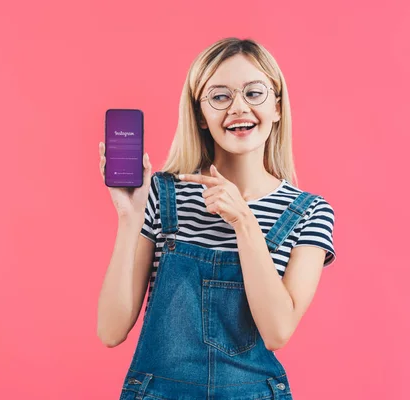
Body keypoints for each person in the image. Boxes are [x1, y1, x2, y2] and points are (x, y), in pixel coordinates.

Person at [97, 37, 336, 400]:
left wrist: (244, 221)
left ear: (277, 107)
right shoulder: (162, 195)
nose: (238, 108)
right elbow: (110, 331)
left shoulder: (310, 212)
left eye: (254, 93)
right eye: (220, 96)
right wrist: (130, 218)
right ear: (201, 116)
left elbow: (277, 331)